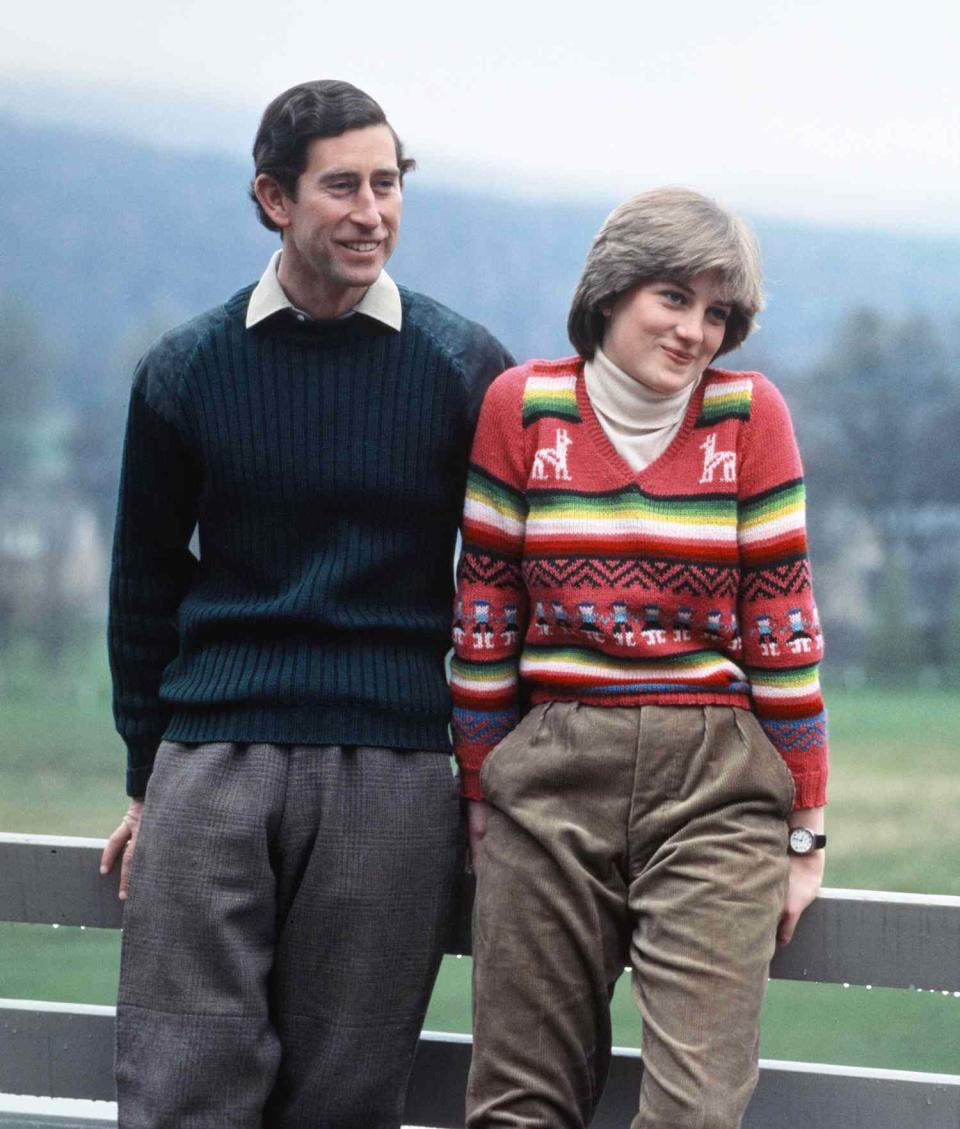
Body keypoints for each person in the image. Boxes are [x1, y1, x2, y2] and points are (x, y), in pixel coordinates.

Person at [99, 79, 512, 1129]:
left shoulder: (463, 368)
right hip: (214, 760)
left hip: (396, 768)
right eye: (342, 186)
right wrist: (150, 777)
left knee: (345, 1096)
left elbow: (503, 584)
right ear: (274, 200)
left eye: (388, 183)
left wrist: (480, 770)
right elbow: (145, 580)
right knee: (179, 1080)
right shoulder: (187, 370)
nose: (372, 211)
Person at [451, 187, 827, 1129]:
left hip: (715, 781)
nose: (697, 330)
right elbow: (485, 616)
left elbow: (784, 626)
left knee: (696, 1111)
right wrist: (479, 791)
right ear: (613, 290)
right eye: (674, 297)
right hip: (548, 778)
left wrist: (806, 825)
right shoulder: (523, 408)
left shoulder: (748, 417)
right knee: (517, 1106)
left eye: (718, 313)